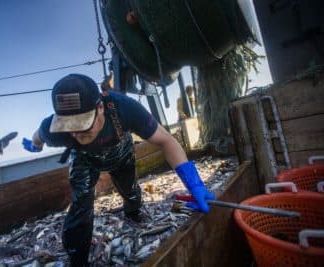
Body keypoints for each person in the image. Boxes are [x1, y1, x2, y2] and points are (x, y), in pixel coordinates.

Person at [22, 73, 214, 267]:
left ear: (100, 108)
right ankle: (78, 259)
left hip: (120, 153)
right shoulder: (54, 130)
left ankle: (133, 212)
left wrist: (194, 185)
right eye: (69, 126)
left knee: (130, 191)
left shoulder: (124, 108)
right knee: (81, 202)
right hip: (84, 160)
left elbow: (166, 141)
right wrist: (34, 145)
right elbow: (39, 136)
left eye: (82, 125)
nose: (75, 133)